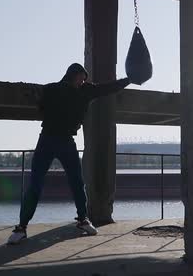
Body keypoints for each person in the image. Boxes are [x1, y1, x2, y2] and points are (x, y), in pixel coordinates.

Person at [8, 63, 131, 244]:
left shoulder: (62, 90)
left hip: (59, 140)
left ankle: (82, 220)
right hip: (50, 140)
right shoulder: (69, 91)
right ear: (74, 74)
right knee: (37, 184)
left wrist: (127, 81)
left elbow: (107, 89)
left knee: (75, 182)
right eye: (82, 77)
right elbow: (42, 107)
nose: (84, 81)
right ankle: (22, 228)